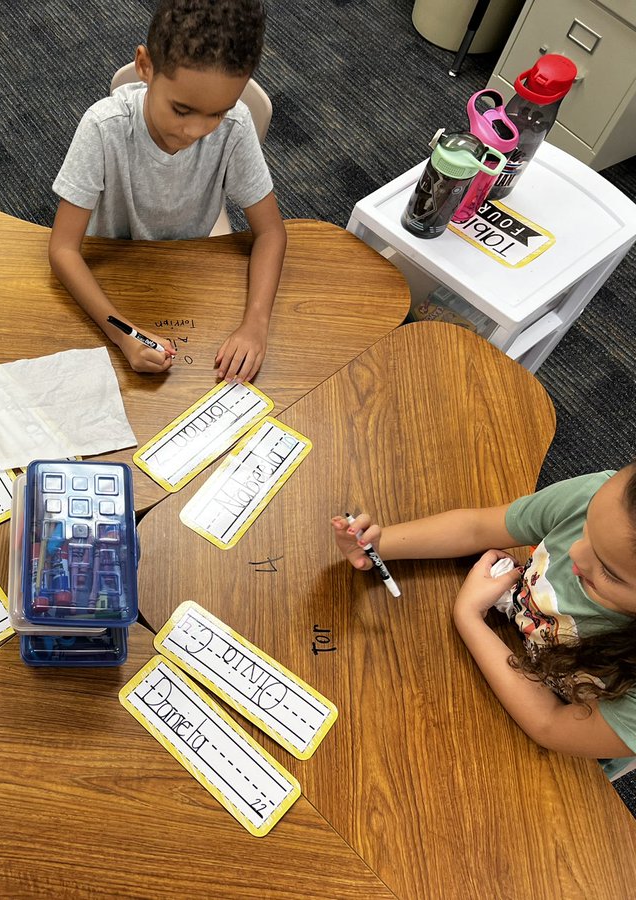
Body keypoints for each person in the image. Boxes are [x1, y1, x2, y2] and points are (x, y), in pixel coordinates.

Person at [332, 465, 636, 779]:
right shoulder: (599, 499)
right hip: (518, 647)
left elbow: (551, 724)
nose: (575, 552)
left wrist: (469, 618)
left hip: (567, 749)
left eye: (609, 572)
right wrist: (378, 548)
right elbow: (476, 527)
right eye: (586, 528)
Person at [49, 0, 286, 383]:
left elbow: (272, 232)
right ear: (145, 66)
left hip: (188, 271)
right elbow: (62, 250)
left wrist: (255, 324)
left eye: (218, 112)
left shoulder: (236, 127)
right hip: (112, 271)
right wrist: (123, 332)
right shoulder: (102, 127)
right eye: (181, 110)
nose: (196, 131)